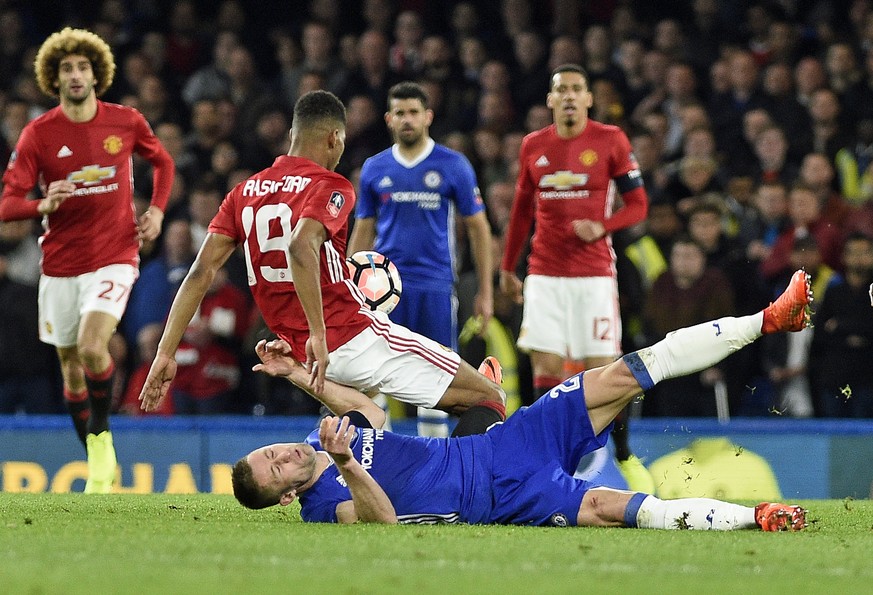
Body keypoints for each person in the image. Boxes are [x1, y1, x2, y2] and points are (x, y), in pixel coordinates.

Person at [231, 269, 813, 531]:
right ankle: (756, 519)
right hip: (499, 495)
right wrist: (348, 463)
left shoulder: (319, 439)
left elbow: (372, 413)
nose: (284, 456)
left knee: (623, 374)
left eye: (271, 451)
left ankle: (768, 319)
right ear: (285, 498)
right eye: (276, 470)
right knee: (612, 508)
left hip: (500, 445)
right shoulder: (322, 507)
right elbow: (380, 519)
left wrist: (300, 375)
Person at [139, 90, 505, 438]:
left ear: (291, 135)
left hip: (299, 350)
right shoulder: (331, 185)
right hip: (350, 334)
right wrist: (319, 332)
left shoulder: (244, 192)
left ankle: (353, 492)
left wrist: (165, 353)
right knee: (488, 396)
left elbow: (199, 273)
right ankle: (457, 491)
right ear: (334, 138)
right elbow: (302, 246)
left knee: (370, 417)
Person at [0, 27, 174, 493]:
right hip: (59, 265)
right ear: (53, 79)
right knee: (71, 368)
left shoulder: (126, 121)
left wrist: (156, 210)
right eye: (65, 69)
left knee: (96, 347)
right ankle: (94, 444)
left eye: (82, 67)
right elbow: (7, 202)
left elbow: (163, 162)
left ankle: (102, 437)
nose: (75, 76)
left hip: (115, 255)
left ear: (97, 75)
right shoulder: (39, 134)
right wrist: (42, 203)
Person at [498, 64, 650, 489]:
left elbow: (638, 205)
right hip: (544, 273)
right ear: (549, 100)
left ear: (588, 98)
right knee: (545, 367)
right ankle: (546, 460)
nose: (567, 96)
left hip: (594, 275)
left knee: (604, 371)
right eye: (560, 89)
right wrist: (507, 267)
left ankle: (622, 453)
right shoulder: (533, 146)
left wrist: (603, 226)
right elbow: (521, 212)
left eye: (576, 89)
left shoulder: (610, 140)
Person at [348, 81, 493, 436]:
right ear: (388, 119)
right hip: (382, 290)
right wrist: (347, 283)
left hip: (436, 286)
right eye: (400, 113)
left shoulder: (452, 165)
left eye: (414, 112)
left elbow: (479, 229)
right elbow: (363, 230)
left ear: (428, 116)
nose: (407, 119)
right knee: (370, 374)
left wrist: (485, 291)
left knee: (438, 379)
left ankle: (435, 466)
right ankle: (377, 456)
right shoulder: (374, 168)